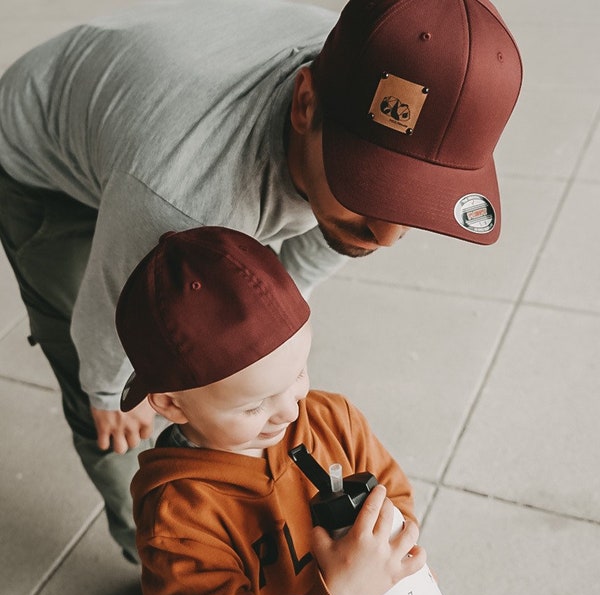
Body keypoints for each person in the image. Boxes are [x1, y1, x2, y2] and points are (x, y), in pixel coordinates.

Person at [0, 0, 522, 561]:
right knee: (108, 400)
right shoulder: (180, 201)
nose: (389, 235)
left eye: (414, 199)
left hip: (140, 92)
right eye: (368, 188)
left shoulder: (383, 64)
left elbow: (301, 269)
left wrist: (262, 353)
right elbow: (107, 312)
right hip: (39, 154)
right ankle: (157, 554)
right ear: (304, 103)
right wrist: (106, 390)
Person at [116, 225, 427, 595]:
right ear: (170, 403)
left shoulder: (332, 418)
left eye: (297, 374)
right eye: (254, 406)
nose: (290, 412)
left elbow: (394, 493)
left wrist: (395, 547)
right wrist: (344, 591)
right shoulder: (178, 519)